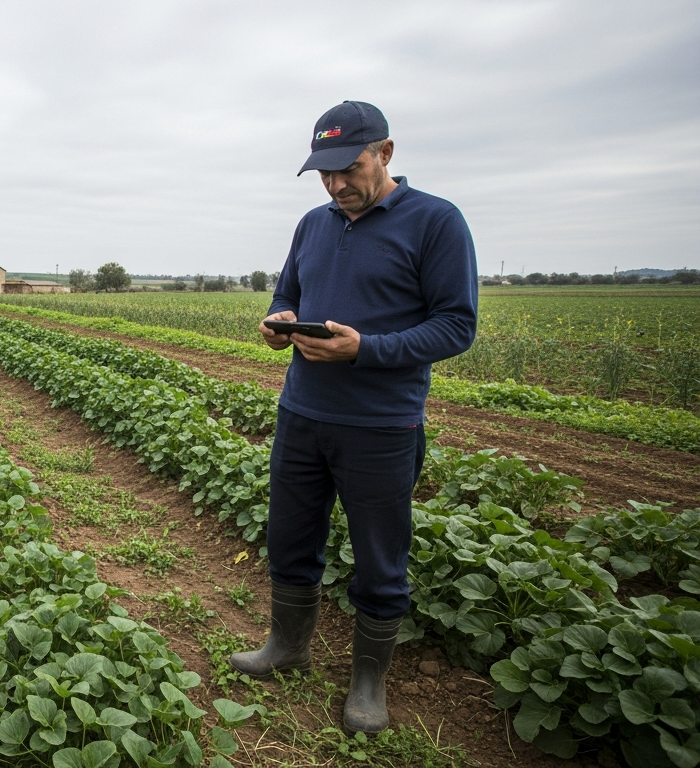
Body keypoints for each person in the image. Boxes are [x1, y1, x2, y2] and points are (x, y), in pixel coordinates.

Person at [230, 101, 478, 733]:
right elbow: (289, 293)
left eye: (350, 168)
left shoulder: (436, 222)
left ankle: (368, 683)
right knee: (290, 538)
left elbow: (456, 325)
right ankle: (287, 647)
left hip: (382, 425)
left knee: (379, 559)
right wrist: (278, 322)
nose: (337, 185)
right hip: (302, 413)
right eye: (324, 174)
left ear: (386, 154)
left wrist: (365, 349)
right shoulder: (313, 224)